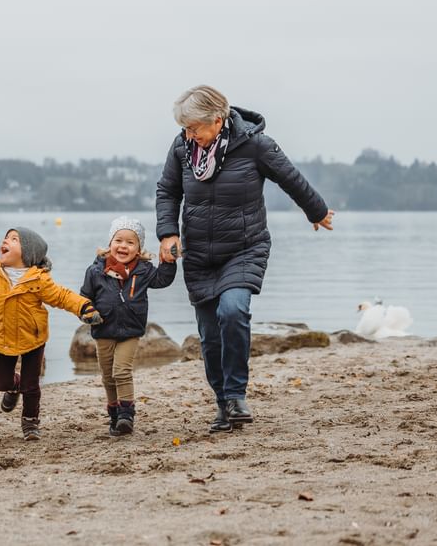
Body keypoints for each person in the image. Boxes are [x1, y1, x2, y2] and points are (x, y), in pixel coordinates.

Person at [156, 85, 334, 433]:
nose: (189, 134)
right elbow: (168, 190)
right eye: (186, 128)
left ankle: (237, 395)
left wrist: (317, 211)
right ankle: (223, 404)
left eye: (195, 128)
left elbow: (291, 179)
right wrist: (167, 232)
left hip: (244, 248)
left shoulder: (255, 145)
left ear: (218, 120)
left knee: (233, 310)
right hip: (200, 255)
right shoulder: (182, 148)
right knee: (209, 336)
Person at [0, 227, 101, 441]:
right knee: (0, 382)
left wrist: (84, 307)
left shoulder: (38, 279)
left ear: (28, 253)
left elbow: (61, 296)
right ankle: (13, 387)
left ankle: (30, 422)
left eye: (14, 239)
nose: (6, 241)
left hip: (33, 338)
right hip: (4, 338)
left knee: (32, 385)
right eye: (6, 237)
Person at [80, 217, 177, 436]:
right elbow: (84, 297)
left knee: (121, 371)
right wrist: (87, 312)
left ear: (139, 248)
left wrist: (169, 262)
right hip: (103, 331)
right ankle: (114, 414)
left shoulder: (143, 271)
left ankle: (126, 415)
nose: (123, 246)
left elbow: (163, 280)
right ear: (110, 243)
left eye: (130, 242)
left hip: (130, 331)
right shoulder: (96, 271)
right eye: (119, 240)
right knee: (107, 376)